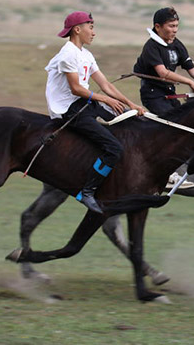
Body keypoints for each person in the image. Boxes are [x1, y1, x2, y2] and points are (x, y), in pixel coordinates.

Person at [45, 11, 145, 213]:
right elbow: (76, 88)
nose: (94, 33)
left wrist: (130, 104)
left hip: (84, 102)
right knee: (113, 148)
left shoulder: (86, 55)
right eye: (91, 27)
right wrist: (105, 100)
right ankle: (87, 192)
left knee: (129, 121)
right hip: (69, 109)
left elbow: (105, 85)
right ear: (77, 29)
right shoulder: (67, 54)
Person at [133, 7, 194, 115]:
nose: (175, 30)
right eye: (171, 26)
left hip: (169, 92)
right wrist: (190, 82)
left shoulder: (177, 44)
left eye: (176, 26)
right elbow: (163, 73)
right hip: (153, 95)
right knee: (173, 124)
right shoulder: (151, 46)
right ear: (158, 27)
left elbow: (192, 69)